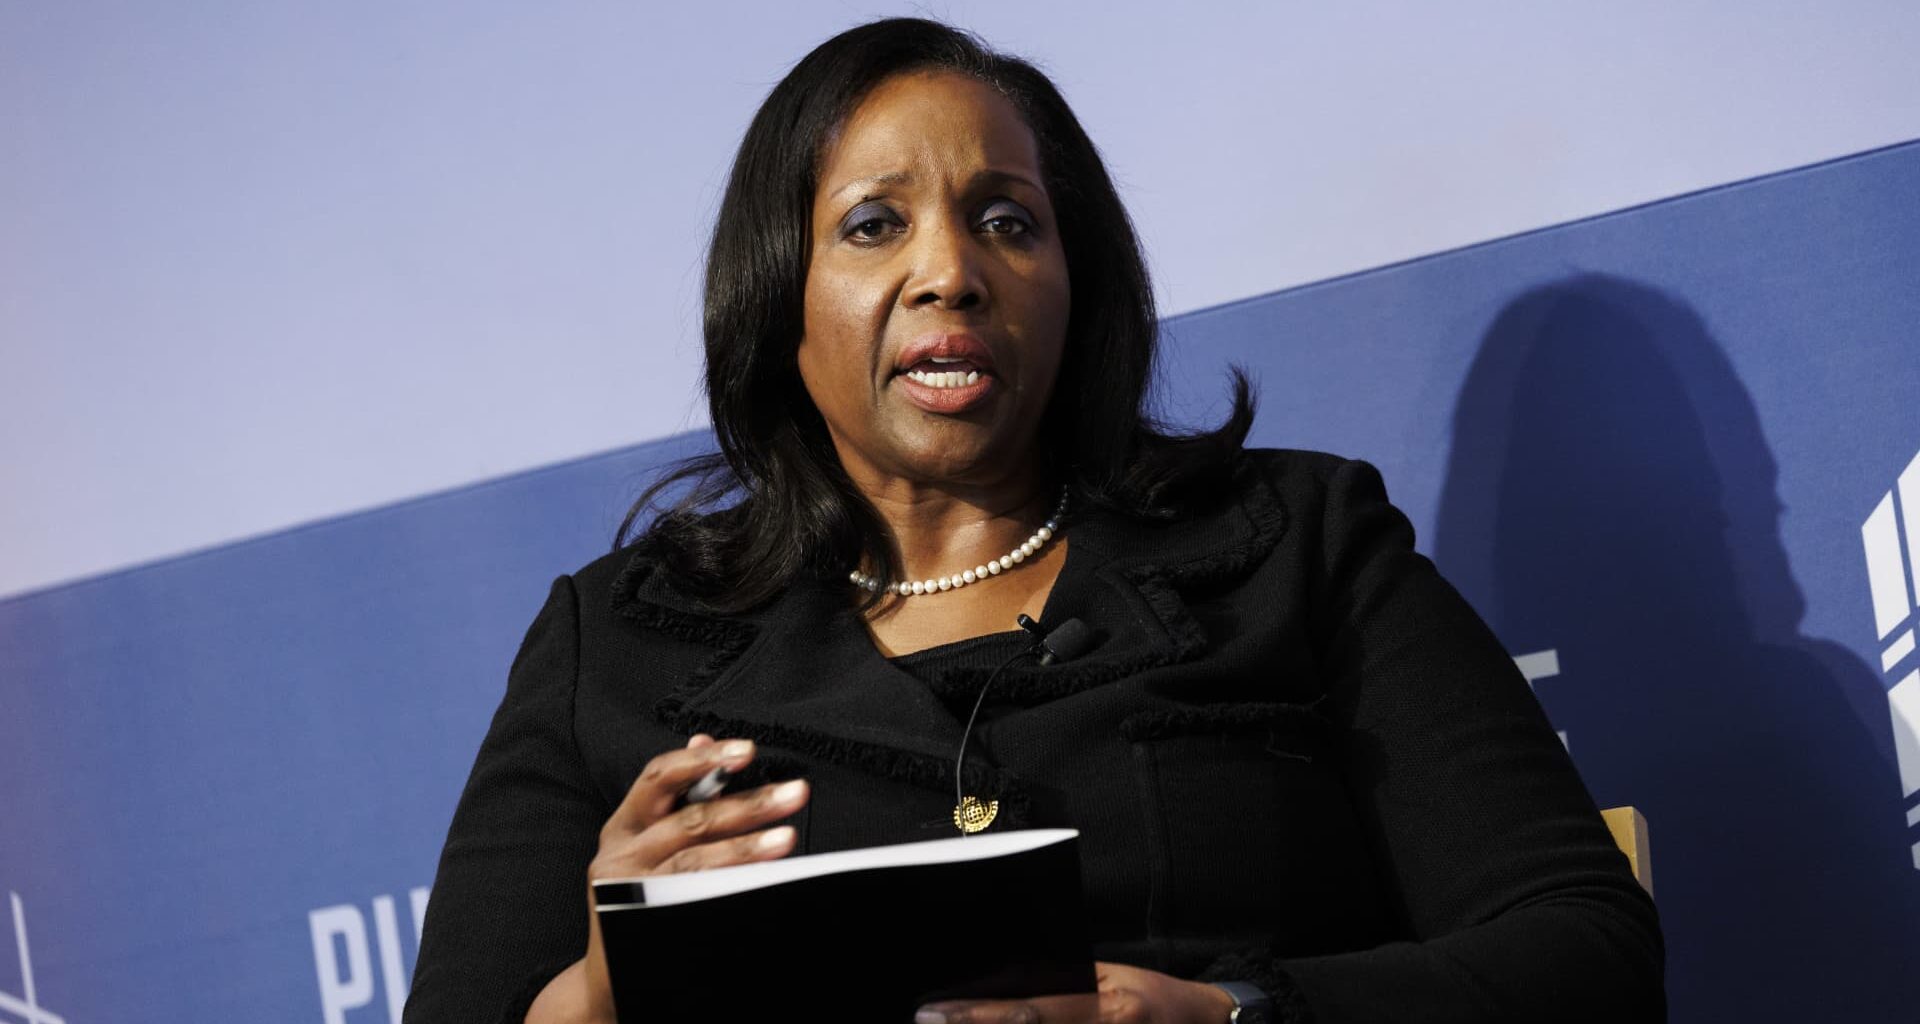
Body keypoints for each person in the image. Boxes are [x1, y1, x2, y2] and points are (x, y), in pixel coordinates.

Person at [404, 17, 1664, 1024]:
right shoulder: (617, 647)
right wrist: (601, 987)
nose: (951, 272)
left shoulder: (1298, 546)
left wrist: (1233, 1013)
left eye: (1007, 220)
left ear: (1075, 283)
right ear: (780, 295)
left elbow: (1588, 952)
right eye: (874, 225)